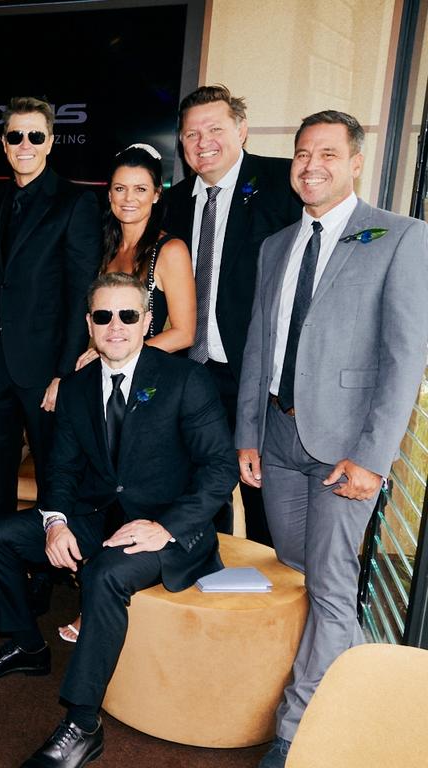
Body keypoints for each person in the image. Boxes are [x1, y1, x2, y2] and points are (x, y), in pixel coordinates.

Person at [0, 272, 237, 768]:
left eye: (128, 315)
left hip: (167, 528)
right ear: (89, 323)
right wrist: (56, 522)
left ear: (148, 322)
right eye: (103, 316)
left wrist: (167, 527)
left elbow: (220, 469)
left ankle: (83, 724)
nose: (115, 326)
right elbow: (61, 468)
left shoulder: (185, 380)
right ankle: (26, 644)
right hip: (97, 517)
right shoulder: (78, 387)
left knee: (104, 574)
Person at [236, 111, 428, 768]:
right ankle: (340, 665)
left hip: (346, 447)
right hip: (279, 434)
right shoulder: (277, 245)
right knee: (299, 558)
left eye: (327, 152)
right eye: (300, 153)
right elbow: (259, 347)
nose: (310, 164)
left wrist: (374, 460)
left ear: (354, 164)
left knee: (331, 582)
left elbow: (405, 358)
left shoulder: (401, 238)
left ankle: (300, 731)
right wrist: (248, 434)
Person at [60, 143, 196, 644]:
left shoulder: (170, 250)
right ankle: (94, 596)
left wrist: (116, 356)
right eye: (119, 188)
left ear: (157, 194)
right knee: (90, 490)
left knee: (128, 494)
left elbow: (184, 330)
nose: (129, 197)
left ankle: (101, 606)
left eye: (140, 188)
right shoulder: (103, 247)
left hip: (152, 391)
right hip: (103, 389)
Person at [165, 84, 302, 543]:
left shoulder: (284, 186)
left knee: (266, 500)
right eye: (190, 134)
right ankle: (207, 592)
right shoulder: (172, 202)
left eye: (215, 129)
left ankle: (270, 607)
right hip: (190, 375)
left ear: (241, 130)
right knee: (200, 494)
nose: (203, 142)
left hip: (257, 377)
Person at [0, 96, 102, 522]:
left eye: (36, 135)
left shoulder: (75, 202)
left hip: (45, 371)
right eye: (16, 136)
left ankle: (46, 573)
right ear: (4, 143)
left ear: (50, 142)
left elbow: (81, 295)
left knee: (54, 477)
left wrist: (64, 373)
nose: (25, 144)